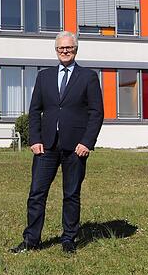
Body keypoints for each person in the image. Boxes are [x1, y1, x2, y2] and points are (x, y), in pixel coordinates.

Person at [10, 31, 103, 255]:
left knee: (71, 194)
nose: (65, 51)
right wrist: (35, 139)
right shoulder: (44, 77)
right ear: (56, 50)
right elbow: (34, 111)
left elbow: (96, 113)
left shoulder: (88, 77)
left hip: (75, 148)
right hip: (46, 147)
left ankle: (69, 239)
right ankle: (31, 240)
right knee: (36, 193)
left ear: (76, 50)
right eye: (61, 48)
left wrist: (87, 143)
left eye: (69, 48)